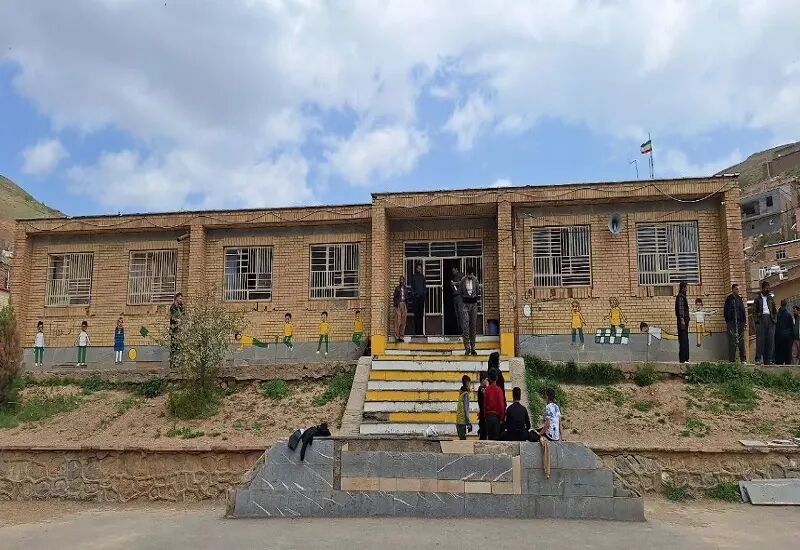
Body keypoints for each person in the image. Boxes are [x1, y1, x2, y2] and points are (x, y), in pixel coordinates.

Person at [537, 388, 561, 480]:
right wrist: (562, 437)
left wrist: (539, 434)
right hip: (556, 436)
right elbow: (559, 424)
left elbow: (547, 425)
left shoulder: (547, 407)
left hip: (550, 435)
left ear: (547, 396)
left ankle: (546, 470)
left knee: (535, 433)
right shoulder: (557, 407)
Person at [459, 266, 481, 355]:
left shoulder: (475, 280)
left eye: (471, 275)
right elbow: (460, 292)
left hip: (474, 304)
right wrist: (466, 299)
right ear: (466, 273)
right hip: (465, 304)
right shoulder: (463, 280)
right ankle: (467, 348)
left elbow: (478, 291)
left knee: (473, 326)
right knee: (465, 326)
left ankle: (473, 347)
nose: (470, 276)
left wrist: (473, 298)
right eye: (468, 275)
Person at [754, 281, 777, 364]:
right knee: (760, 340)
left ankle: (769, 359)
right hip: (761, 319)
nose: (768, 289)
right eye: (766, 288)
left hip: (770, 320)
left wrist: (774, 320)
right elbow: (754, 311)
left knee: (770, 340)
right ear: (762, 288)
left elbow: (774, 310)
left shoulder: (770, 298)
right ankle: (758, 359)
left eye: (768, 288)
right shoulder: (757, 298)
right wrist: (757, 321)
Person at [723, 284, 747, 363]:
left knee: (741, 341)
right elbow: (726, 311)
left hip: (740, 322)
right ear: (733, 289)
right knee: (732, 341)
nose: (738, 291)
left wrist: (744, 322)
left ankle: (743, 359)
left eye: (738, 289)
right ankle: (732, 360)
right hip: (732, 323)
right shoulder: (729, 299)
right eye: (736, 289)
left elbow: (743, 311)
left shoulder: (739, 299)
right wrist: (728, 322)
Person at [483, 369, 505, 440]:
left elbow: (484, 404)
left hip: (488, 416)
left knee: (489, 438)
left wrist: (485, 416)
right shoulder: (499, 390)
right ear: (497, 378)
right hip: (496, 417)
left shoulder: (487, 390)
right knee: (496, 439)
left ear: (489, 378)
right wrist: (501, 418)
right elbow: (501, 406)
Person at [774, 299, 794, 365]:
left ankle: (779, 363)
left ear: (781, 304)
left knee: (779, 352)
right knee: (788, 352)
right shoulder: (789, 315)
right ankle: (788, 364)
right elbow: (792, 327)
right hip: (788, 336)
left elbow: (776, 326)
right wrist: (792, 337)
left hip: (779, 336)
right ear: (786, 305)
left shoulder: (777, 315)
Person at [675, 281, 690, 363]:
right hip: (682, 322)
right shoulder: (681, 297)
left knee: (684, 340)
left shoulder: (682, 296)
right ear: (683, 288)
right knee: (683, 340)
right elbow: (681, 310)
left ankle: (684, 358)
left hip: (683, 322)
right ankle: (684, 358)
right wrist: (682, 320)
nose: (686, 289)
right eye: (685, 287)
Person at [455, 375, 473, 440]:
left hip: (458, 420)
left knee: (461, 439)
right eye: (470, 383)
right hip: (462, 421)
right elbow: (466, 409)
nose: (470, 386)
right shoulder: (466, 395)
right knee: (463, 440)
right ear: (467, 383)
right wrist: (468, 422)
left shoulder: (461, 393)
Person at [169, 292, 184, 368]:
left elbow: (184, 317)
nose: (181, 300)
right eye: (180, 298)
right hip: (174, 331)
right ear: (176, 298)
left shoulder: (181, 308)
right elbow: (174, 318)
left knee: (179, 347)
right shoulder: (172, 307)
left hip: (180, 331)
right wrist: (179, 320)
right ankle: (172, 365)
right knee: (174, 347)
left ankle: (178, 364)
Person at [411, 263, 427, 335]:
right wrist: (415, 294)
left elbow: (424, 287)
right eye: (418, 268)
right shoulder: (414, 276)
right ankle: (416, 331)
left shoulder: (422, 277)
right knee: (416, 315)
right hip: (415, 299)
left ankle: (420, 331)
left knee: (421, 315)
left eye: (420, 268)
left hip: (421, 299)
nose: (419, 269)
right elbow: (412, 287)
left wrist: (423, 295)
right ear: (416, 268)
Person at [392, 276, 409, 343]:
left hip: (404, 305)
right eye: (400, 280)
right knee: (398, 320)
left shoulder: (406, 289)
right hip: (398, 305)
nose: (401, 281)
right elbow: (394, 297)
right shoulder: (397, 288)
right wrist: (396, 305)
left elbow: (407, 298)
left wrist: (406, 306)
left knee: (403, 321)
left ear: (404, 281)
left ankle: (401, 336)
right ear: (399, 281)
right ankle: (396, 336)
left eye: (403, 280)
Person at [450, 266, 464, 335]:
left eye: (454, 271)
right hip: (455, 296)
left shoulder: (461, 275)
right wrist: (452, 286)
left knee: (461, 313)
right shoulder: (453, 277)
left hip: (459, 296)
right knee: (457, 314)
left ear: (456, 269)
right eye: (452, 271)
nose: (453, 272)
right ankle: (459, 331)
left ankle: (463, 330)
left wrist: (455, 284)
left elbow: (463, 282)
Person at [476, 371, 488, 440]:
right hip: (483, 414)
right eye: (486, 380)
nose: (487, 381)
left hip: (483, 413)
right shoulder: (481, 389)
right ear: (483, 380)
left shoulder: (482, 388)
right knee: (483, 433)